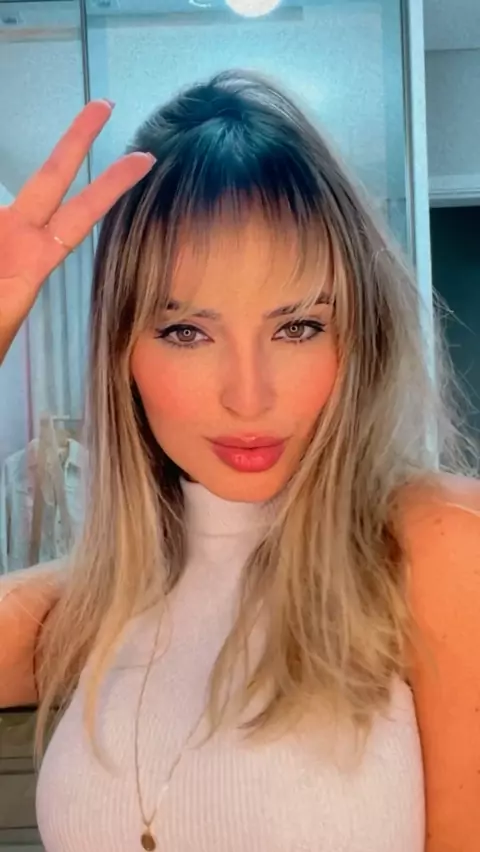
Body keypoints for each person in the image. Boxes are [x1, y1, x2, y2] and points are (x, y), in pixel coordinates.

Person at [0, 70, 479, 852]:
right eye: (187, 331)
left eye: (297, 327)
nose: (248, 397)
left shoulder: (439, 546)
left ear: (357, 335)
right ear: (121, 352)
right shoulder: (98, 602)